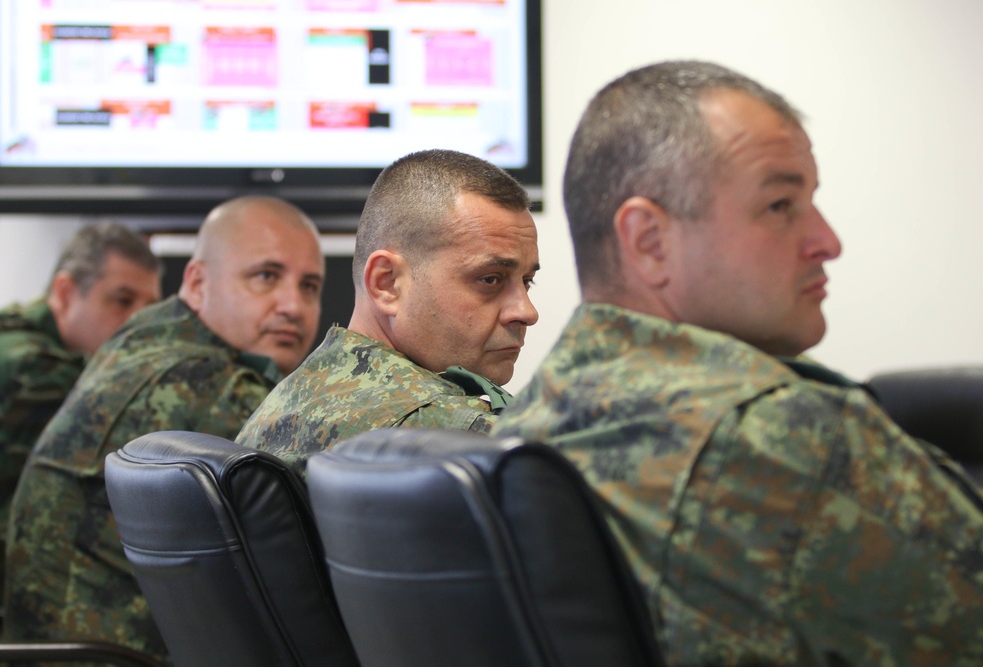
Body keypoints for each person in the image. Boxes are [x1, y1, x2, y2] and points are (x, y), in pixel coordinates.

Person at [493, 60, 983, 666]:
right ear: (649, 241)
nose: (828, 241)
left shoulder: (525, 425)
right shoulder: (785, 433)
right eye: (781, 205)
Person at [4, 195, 325, 661]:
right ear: (196, 283)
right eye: (265, 277)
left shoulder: (150, 337)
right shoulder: (202, 381)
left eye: (310, 286)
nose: (293, 305)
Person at [237, 149, 539, 475]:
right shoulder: (453, 436)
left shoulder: (288, 400)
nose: (526, 311)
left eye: (527, 282)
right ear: (387, 284)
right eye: (489, 279)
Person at [0, 222, 160, 611]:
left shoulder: (5, 330)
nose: (138, 323)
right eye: (122, 300)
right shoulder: (32, 366)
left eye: (150, 308)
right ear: (64, 292)